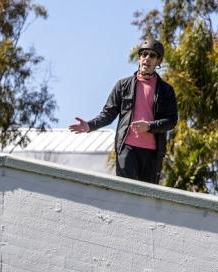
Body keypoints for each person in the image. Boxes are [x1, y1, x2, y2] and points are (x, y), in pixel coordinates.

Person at [68, 39, 178, 184]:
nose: (147, 58)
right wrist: (89, 125)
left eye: (152, 56)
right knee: (126, 192)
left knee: (146, 199)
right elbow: (108, 114)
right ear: (139, 58)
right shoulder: (123, 85)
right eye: (144, 54)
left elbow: (171, 121)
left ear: (158, 61)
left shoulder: (166, 90)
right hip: (127, 148)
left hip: (153, 153)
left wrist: (149, 126)